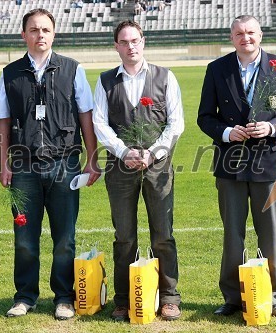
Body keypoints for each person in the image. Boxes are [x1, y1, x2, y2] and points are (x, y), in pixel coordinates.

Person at [0, 8, 100, 320]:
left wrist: (91, 161)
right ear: (24, 34)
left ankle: (64, 297)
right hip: (23, 167)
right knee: (25, 239)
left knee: (64, 238)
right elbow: (2, 121)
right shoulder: (9, 73)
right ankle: (24, 297)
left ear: (53, 34)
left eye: (45, 30)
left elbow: (86, 117)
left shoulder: (72, 69)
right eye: (34, 30)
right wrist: (3, 163)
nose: (40, 35)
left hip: (65, 164)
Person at [197, 15, 276, 319]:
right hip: (230, 164)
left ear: (261, 35)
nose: (246, 38)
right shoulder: (217, 69)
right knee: (233, 233)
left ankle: (272, 296)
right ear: (232, 38)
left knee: (269, 233)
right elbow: (205, 117)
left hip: (267, 163)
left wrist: (270, 129)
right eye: (240, 34)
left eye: (251, 33)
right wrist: (227, 133)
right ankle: (231, 296)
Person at [92, 20, 184, 322]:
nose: (131, 46)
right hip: (120, 169)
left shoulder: (165, 77)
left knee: (163, 235)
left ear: (143, 42)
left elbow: (175, 123)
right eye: (125, 42)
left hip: (158, 168)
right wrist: (123, 151)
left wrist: (152, 152)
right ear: (116, 46)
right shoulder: (106, 81)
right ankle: (123, 300)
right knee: (124, 236)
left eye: (136, 40)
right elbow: (100, 123)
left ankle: (169, 297)